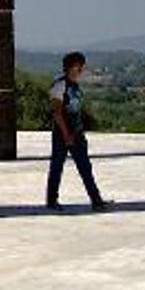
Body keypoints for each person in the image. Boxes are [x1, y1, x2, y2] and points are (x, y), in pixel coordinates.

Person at [46, 51, 107, 212]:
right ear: (70, 67)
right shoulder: (60, 86)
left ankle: (96, 199)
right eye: (78, 66)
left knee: (85, 167)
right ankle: (52, 199)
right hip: (63, 133)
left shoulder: (75, 86)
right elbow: (57, 112)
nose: (80, 69)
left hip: (77, 132)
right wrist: (66, 134)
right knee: (57, 166)